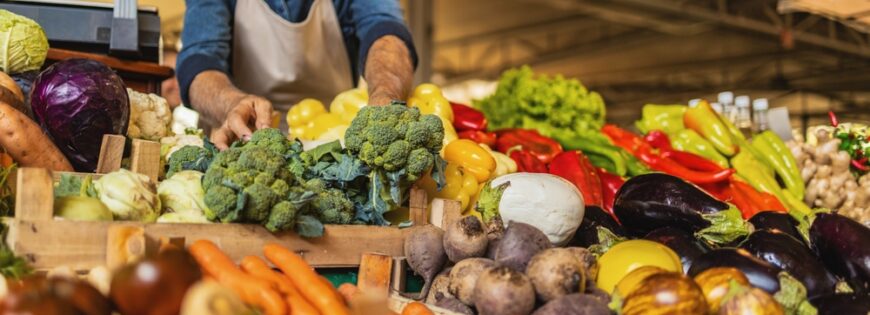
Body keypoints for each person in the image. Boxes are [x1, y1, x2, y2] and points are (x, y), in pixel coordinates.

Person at [176, 0, 417, 149]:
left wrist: (386, 94)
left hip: (334, 146)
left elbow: (385, 31)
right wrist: (230, 103)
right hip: (243, 143)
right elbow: (200, 59)